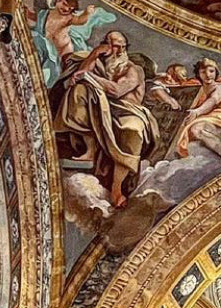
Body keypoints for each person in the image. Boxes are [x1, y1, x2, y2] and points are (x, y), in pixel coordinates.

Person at [53, 29, 159, 206]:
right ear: (105, 46)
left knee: (132, 130)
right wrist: (94, 54)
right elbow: (79, 75)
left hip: (130, 111)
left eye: (122, 47)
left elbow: (117, 91)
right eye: (114, 46)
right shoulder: (100, 63)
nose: (118, 51)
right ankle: (90, 149)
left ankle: (116, 189)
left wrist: (90, 77)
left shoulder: (133, 69)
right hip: (104, 108)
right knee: (78, 91)